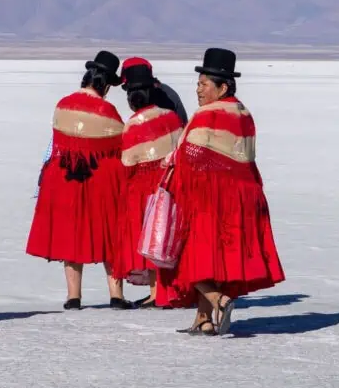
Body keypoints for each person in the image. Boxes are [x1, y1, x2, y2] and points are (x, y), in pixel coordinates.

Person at [158, 48, 285, 335]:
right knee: (211, 257)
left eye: (204, 84)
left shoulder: (207, 116)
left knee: (188, 254)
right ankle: (202, 321)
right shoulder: (243, 114)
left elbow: (191, 159)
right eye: (198, 84)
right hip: (240, 198)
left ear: (222, 86)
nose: (198, 90)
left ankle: (219, 300)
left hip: (209, 198)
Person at [27, 50, 134, 310]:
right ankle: (116, 294)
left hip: (62, 176)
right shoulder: (107, 111)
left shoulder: (62, 104)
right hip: (101, 180)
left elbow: (57, 140)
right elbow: (122, 144)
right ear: (107, 84)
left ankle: (73, 296)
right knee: (110, 231)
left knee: (70, 232)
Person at [111, 57, 185, 308]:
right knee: (166, 233)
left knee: (149, 235)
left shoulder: (132, 125)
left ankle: (157, 293)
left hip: (143, 185)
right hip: (170, 180)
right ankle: (164, 290)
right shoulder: (172, 117)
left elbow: (128, 162)